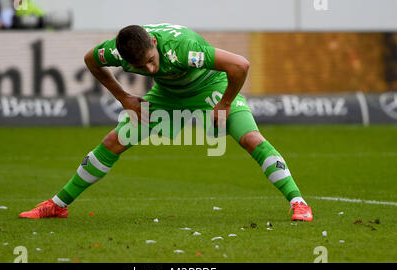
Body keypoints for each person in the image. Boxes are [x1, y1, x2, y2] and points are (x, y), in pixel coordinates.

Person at [19, 24, 313, 222]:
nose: (148, 68)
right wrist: (124, 97)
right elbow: (90, 60)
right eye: (140, 67)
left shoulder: (181, 49)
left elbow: (240, 64)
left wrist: (223, 103)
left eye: (150, 60)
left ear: (155, 43)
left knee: (250, 139)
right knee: (113, 141)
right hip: (167, 96)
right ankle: (58, 205)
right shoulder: (116, 51)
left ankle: (298, 202)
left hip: (211, 89)